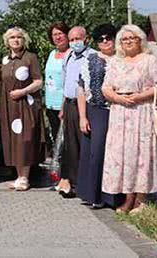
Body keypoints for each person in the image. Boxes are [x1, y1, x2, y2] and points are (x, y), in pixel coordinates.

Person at [102, 25, 157, 214]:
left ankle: (141, 199)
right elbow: (106, 87)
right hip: (120, 112)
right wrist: (117, 98)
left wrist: (139, 96)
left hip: (142, 112)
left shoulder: (149, 60)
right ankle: (127, 198)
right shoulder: (115, 61)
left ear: (141, 40)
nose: (129, 41)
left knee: (141, 155)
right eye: (124, 39)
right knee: (122, 155)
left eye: (133, 38)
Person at [76, 24, 122, 209]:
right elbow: (81, 88)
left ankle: (113, 196)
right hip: (96, 109)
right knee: (94, 152)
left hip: (119, 110)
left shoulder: (122, 60)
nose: (105, 42)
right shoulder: (90, 60)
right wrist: (82, 116)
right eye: (100, 39)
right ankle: (92, 194)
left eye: (108, 38)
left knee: (116, 154)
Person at [0, 27, 45, 191]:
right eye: (12, 37)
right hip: (9, 105)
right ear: (7, 41)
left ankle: (25, 176)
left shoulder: (30, 58)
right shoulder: (5, 60)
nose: (16, 40)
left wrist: (23, 91)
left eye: (19, 37)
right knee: (13, 138)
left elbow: (38, 81)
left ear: (24, 40)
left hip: (26, 103)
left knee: (25, 138)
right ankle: (19, 176)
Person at [58, 26, 95, 198]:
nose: (74, 43)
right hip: (69, 105)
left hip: (86, 106)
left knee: (85, 144)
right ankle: (72, 182)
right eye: (71, 39)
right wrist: (62, 106)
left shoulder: (93, 56)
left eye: (78, 39)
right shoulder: (68, 56)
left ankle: (88, 183)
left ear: (86, 39)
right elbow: (65, 82)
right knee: (70, 146)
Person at [44, 22, 70, 145]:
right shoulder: (51, 54)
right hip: (51, 104)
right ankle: (58, 162)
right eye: (54, 34)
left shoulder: (71, 54)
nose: (58, 37)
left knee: (67, 140)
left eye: (60, 33)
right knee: (55, 137)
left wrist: (64, 105)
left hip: (66, 105)